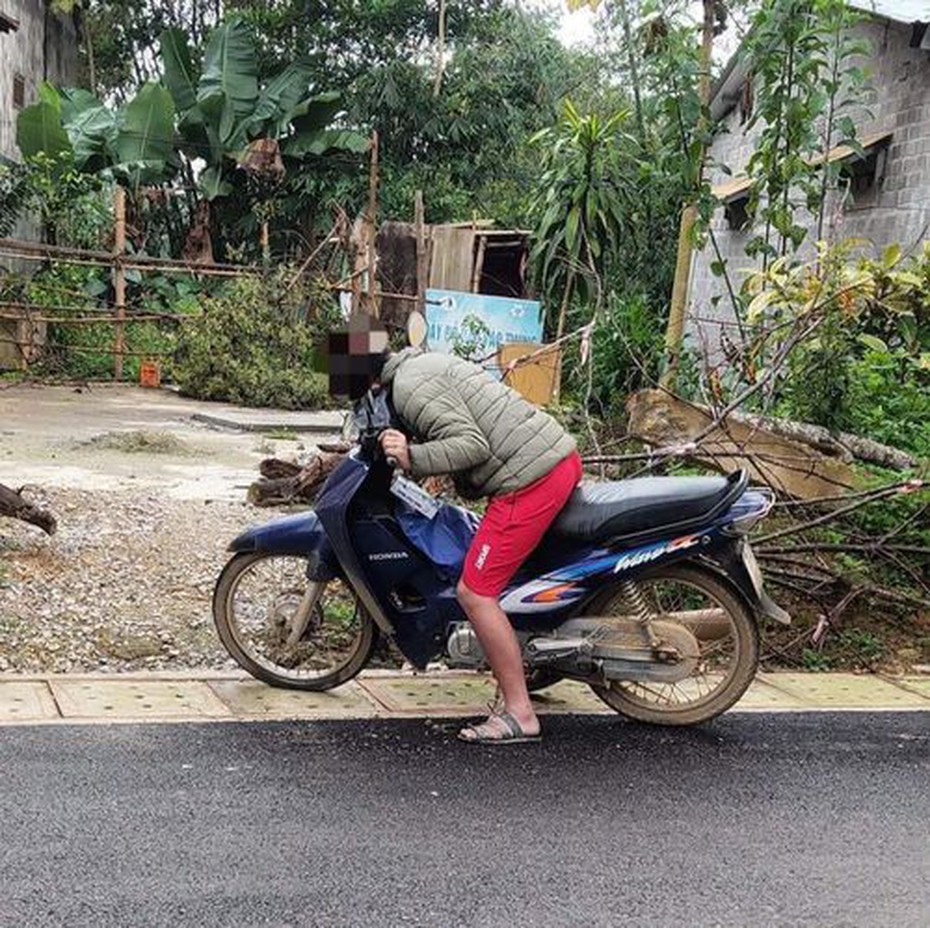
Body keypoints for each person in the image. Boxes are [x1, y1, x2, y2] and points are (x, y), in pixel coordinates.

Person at [377, 345, 582, 745]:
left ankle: (521, 714)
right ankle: (526, 664)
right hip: (553, 459)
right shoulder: (420, 363)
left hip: (529, 481)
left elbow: (472, 445)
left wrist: (411, 456)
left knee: (476, 592)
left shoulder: (407, 387)